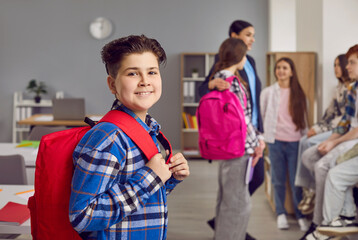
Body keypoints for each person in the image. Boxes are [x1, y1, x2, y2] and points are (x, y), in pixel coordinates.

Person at [68, 35, 190, 239]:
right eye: (133, 73)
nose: (145, 82)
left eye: (152, 72)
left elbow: (138, 202)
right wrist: (150, 177)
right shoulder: (108, 138)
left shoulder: (146, 129)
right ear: (112, 84)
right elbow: (82, 216)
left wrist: (168, 178)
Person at [200, 19, 265, 240]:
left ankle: (223, 232)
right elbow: (242, 119)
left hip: (231, 144)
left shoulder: (221, 76)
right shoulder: (232, 81)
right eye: (249, 35)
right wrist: (257, 142)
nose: (252, 41)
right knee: (238, 203)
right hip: (241, 146)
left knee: (229, 198)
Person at [300, 44, 358, 240]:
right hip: (349, 136)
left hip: (354, 139)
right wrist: (331, 140)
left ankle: (322, 224)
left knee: (328, 165)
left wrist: (334, 143)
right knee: (309, 156)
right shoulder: (353, 90)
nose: (347, 67)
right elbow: (344, 123)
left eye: (351, 63)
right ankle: (338, 213)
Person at [295, 54, 351, 215]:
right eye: (334, 65)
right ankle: (308, 190)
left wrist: (320, 131)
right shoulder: (338, 89)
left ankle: (311, 190)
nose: (336, 69)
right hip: (333, 128)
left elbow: (344, 120)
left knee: (307, 145)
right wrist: (315, 128)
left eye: (338, 65)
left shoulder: (351, 90)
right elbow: (329, 115)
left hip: (341, 131)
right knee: (304, 139)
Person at [260, 57, 309, 231]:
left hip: (296, 143)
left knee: (297, 181)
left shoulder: (299, 94)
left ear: (291, 72)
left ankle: (300, 214)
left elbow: (304, 120)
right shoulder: (268, 92)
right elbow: (263, 116)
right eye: (278, 67)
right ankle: (281, 213)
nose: (281, 71)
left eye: (285, 68)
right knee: (278, 180)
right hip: (275, 142)